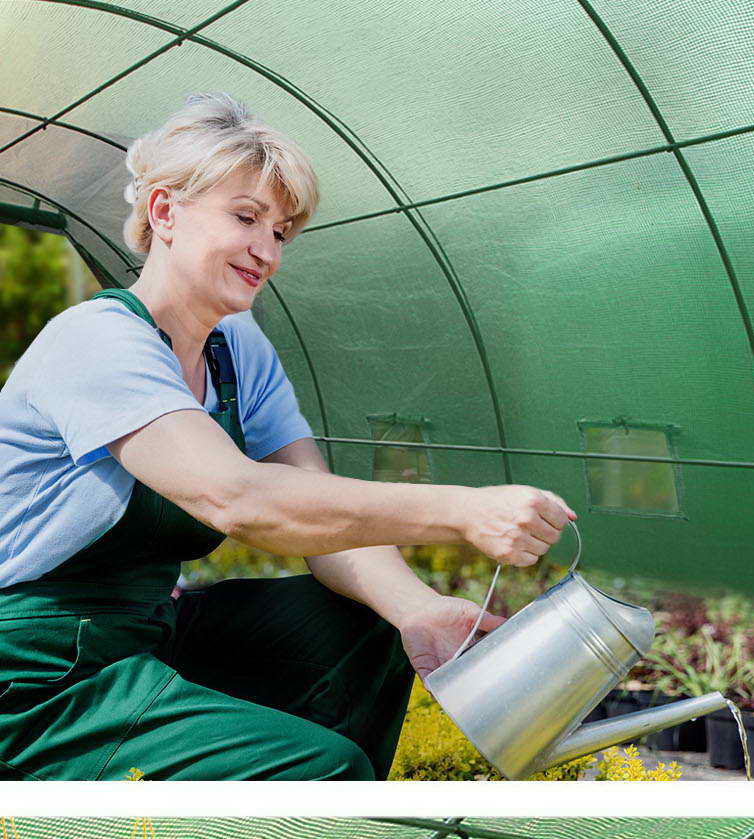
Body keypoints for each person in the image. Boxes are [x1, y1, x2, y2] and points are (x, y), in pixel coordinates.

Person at [0, 92, 572, 779]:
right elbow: (240, 499)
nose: (267, 251)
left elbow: (317, 511)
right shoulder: (97, 342)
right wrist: (463, 511)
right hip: (36, 673)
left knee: (367, 627)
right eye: (246, 218)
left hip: (145, 632)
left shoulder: (236, 348)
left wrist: (420, 611)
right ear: (164, 211)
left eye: (280, 232)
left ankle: (288, 798)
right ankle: (307, 797)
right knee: (323, 768)